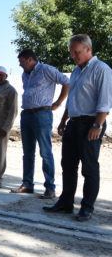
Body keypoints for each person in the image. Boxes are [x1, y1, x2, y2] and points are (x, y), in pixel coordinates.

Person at [43, 34, 112, 221]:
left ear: (88, 49)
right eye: (72, 53)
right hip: (73, 123)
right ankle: (66, 203)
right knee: (68, 165)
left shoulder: (102, 69)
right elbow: (71, 98)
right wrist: (64, 120)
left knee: (89, 168)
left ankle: (87, 207)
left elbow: (105, 101)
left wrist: (98, 124)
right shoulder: (75, 71)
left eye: (77, 52)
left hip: (91, 123)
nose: (73, 56)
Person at [11, 49, 70, 199]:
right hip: (27, 115)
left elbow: (67, 82)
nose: (20, 65)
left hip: (42, 114)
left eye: (22, 62)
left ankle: (50, 188)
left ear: (30, 59)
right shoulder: (25, 74)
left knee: (45, 152)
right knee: (28, 152)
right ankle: (27, 184)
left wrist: (58, 102)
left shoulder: (46, 69)